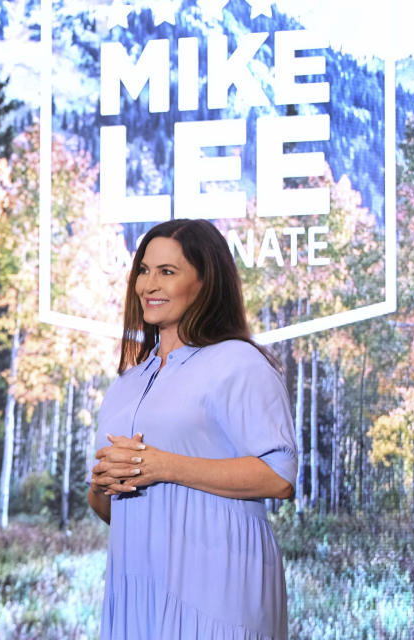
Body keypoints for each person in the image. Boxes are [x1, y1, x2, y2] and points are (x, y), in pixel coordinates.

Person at [88, 219, 297, 639]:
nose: (149, 284)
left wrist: (163, 466)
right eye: (144, 271)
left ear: (206, 282)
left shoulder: (237, 363)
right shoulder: (127, 383)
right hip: (138, 593)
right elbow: (111, 508)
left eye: (167, 271)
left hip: (217, 589)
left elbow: (279, 477)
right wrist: (101, 486)